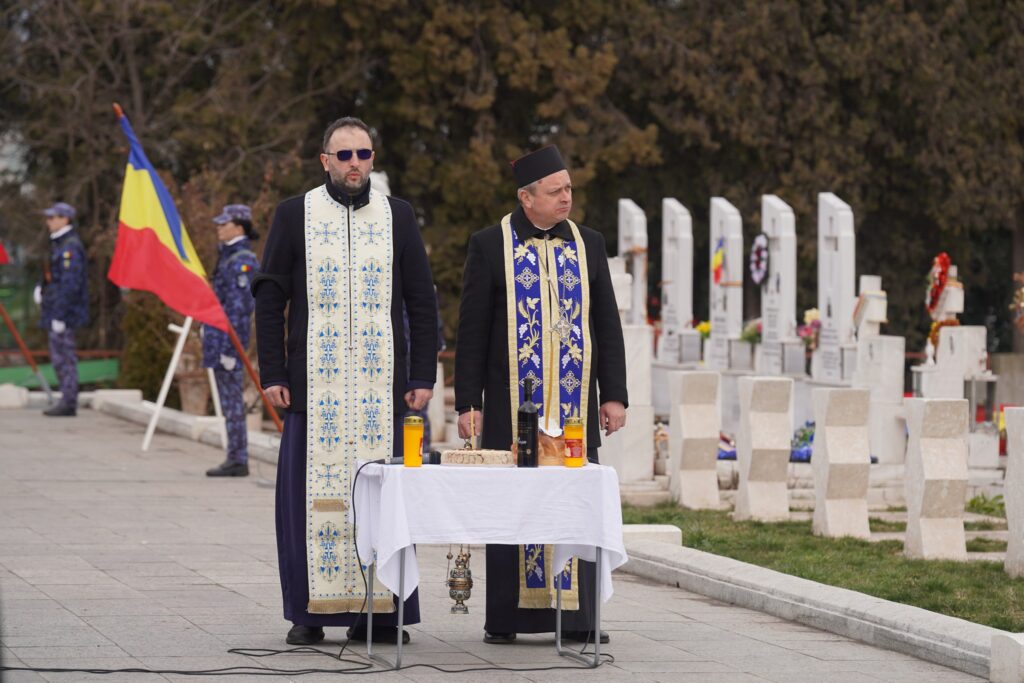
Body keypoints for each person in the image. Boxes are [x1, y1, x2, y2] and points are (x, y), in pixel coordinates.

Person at [253, 117, 438, 647]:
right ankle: (306, 612)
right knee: (305, 503)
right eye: (344, 155)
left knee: (383, 502)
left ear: (373, 159)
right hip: (314, 389)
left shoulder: (398, 216)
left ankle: (379, 614)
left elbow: (421, 300)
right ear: (325, 161)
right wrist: (272, 372)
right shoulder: (295, 215)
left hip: (384, 391)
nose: (354, 163)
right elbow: (270, 299)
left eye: (363, 153)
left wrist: (422, 372)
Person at [454, 145, 628, 645]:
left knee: (574, 497)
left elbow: (607, 325)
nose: (567, 198)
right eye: (556, 191)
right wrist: (469, 404)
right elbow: (472, 330)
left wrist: (614, 395)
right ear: (526, 198)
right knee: (516, 503)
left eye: (569, 188)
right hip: (515, 409)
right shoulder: (489, 245)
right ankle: (508, 618)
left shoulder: (588, 243)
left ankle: (579, 619)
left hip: (573, 405)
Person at [203, 204, 260, 477]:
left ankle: (238, 457)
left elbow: (239, 309)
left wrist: (229, 349)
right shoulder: (228, 256)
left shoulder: (242, 260)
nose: (219, 228)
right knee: (228, 402)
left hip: (228, 344)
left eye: (224, 224)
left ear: (238, 227)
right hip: (220, 340)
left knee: (232, 401)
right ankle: (234, 455)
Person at [37, 202, 88, 417]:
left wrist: (60, 315)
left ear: (64, 219)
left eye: (53, 218)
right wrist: (42, 288)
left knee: (64, 357)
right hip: (56, 310)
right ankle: (66, 398)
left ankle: (69, 401)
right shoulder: (60, 244)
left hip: (64, 313)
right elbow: (55, 278)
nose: (49, 222)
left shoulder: (70, 246)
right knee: (59, 356)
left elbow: (70, 285)